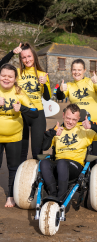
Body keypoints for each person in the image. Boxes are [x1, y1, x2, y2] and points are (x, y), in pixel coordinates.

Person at [40, 104, 97, 201]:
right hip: (59, 164)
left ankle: (61, 196)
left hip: (75, 167)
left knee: (62, 163)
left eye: (74, 119)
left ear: (79, 119)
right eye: (68, 118)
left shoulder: (84, 131)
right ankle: (53, 193)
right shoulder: (57, 130)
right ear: (63, 115)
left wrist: (92, 126)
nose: (70, 122)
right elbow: (44, 147)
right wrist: (51, 134)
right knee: (44, 163)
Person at [0, 63, 38, 207]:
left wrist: (22, 108)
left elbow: (35, 113)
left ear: (15, 78)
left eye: (10, 76)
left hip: (14, 136)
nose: (6, 78)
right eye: (3, 75)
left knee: (13, 167)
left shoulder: (19, 91)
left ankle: (10, 196)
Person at [56, 59, 97, 164]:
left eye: (79, 70)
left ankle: (95, 179)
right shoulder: (69, 85)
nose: (76, 72)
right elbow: (60, 96)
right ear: (71, 71)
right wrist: (60, 90)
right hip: (77, 127)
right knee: (78, 154)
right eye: (74, 70)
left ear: (84, 70)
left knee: (94, 155)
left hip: (93, 124)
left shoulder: (91, 82)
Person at [17, 43, 51, 162]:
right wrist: (12, 52)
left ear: (34, 56)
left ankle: (37, 178)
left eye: (29, 56)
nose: (27, 60)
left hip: (38, 114)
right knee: (21, 152)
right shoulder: (17, 73)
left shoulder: (43, 74)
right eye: (24, 57)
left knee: (37, 152)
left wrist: (45, 84)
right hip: (21, 114)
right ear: (21, 59)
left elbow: (47, 97)